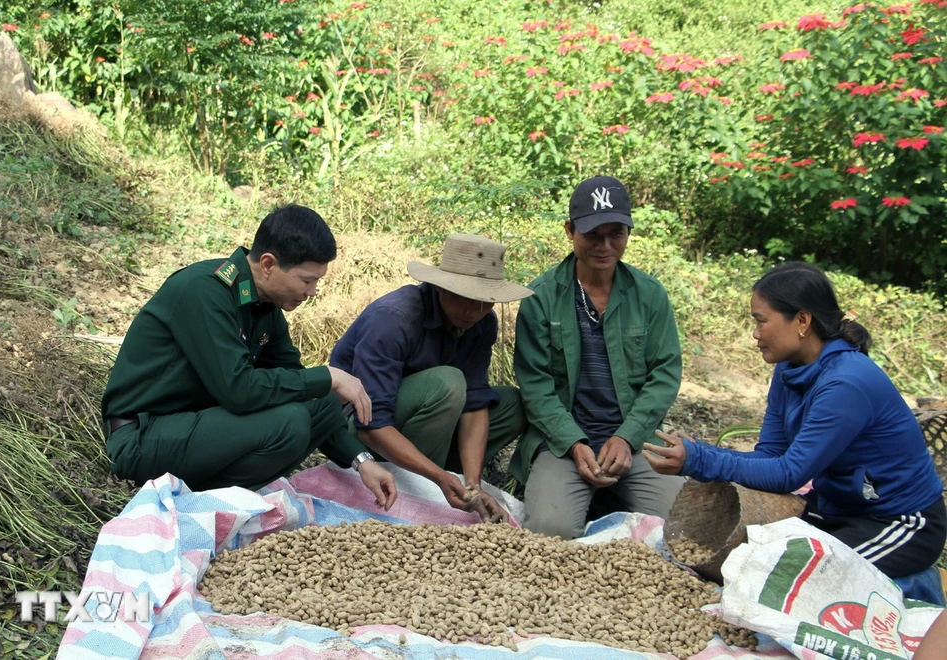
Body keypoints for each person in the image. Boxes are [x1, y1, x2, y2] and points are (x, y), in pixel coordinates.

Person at [644, 262, 946, 581]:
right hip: (836, 508)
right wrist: (694, 456)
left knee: (795, 578)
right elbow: (772, 455)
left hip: (896, 522)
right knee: (746, 560)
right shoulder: (789, 368)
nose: (755, 334)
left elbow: (789, 474)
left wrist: (699, 458)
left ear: (802, 320)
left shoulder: (846, 383)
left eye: (761, 321)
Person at [101, 204, 397, 509]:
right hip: (144, 438)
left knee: (321, 402)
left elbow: (304, 393)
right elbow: (238, 390)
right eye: (307, 280)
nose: (312, 292)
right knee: (290, 422)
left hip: (201, 427)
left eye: (317, 282)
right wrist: (329, 375)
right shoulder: (204, 291)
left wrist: (361, 461)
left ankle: (224, 493)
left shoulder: (266, 305)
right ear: (268, 264)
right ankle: (207, 501)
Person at [510, 175, 685, 539]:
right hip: (563, 444)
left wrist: (626, 438)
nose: (605, 246)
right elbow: (536, 386)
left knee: (683, 530)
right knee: (548, 530)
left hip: (633, 442)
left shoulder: (649, 296)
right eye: (592, 235)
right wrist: (575, 444)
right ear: (570, 230)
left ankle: (612, 499)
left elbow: (665, 375)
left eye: (616, 234)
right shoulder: (541, 297)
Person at [330, 234, 533, 522]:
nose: (474, 311)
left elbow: (474, 403)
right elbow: (371, 426)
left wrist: (472, 485)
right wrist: (438, 477)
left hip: (428, 424)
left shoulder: (482, 323)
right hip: (362, 437)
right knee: (447, 383)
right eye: (465, 297)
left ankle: (454, 483)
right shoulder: (393, 319)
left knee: (512, 403)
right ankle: (425, 488)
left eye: (484, 302)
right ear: (440, 287)